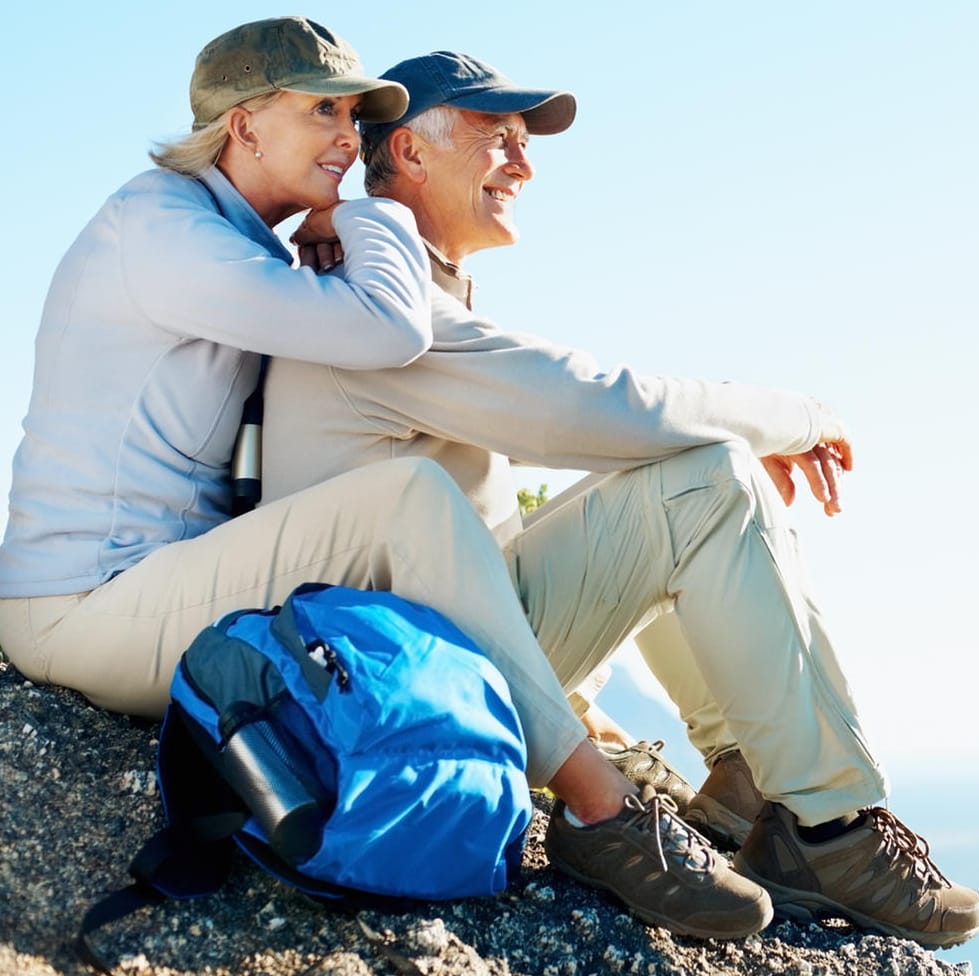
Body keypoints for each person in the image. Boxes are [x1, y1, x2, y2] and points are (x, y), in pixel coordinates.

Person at [0, 19, 770, 940]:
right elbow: (387, 330)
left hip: (168, 583)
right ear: (243, 126)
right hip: (83, 606)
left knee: (626, 499)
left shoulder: (230, 236)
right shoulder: (164, 231)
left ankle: (691, 754)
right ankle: (601, 811)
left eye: (354, 114)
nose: (347, 138)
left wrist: (336, 220)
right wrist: (374, 213)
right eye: (324, 111)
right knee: (405, 494)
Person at [262, 50, 979, 948]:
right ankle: (827, 831)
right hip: (392, 673)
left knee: (678, 476)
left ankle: (743, 780)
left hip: (430, 637)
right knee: (703, 479)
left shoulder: (397, 281)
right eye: (500, 138)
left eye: (526, 142)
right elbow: (596, 405)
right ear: (408, 152)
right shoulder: (374, 303)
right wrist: (795, 418)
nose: (524, 164)